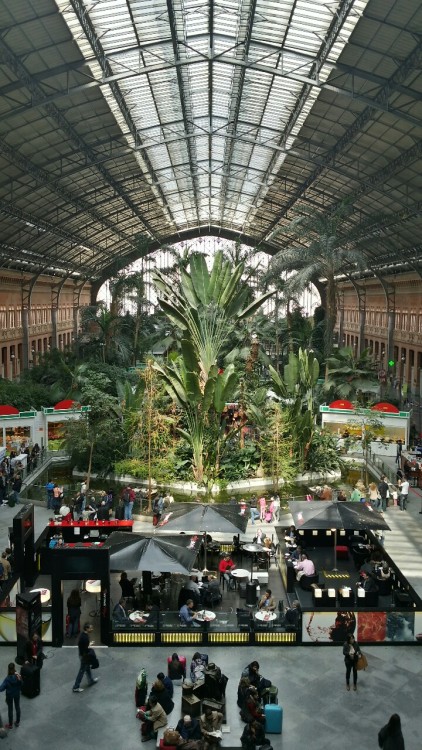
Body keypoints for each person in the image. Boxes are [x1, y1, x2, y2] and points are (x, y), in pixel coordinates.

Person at [72, 622, 98, 693]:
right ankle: (76, 687)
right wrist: (89, 646)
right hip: (84, 656)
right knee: (82, 671)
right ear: (87, 628)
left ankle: (90, 680)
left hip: (83, 655)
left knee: (87, 668)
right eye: (91, 628)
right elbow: (85, 648)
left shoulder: (83, 635)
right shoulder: (85, 638)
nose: (92, 629)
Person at [0, 663, 21, 729]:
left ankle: (10, 725)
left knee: (10, 709)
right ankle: (17, 722)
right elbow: (22, 683)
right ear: (14, 667)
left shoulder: (7, 679)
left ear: (8, 669)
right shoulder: (17, 676)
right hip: (17, 694)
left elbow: (1, 689)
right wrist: (19, 679)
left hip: (9, 696)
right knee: (17, 707)